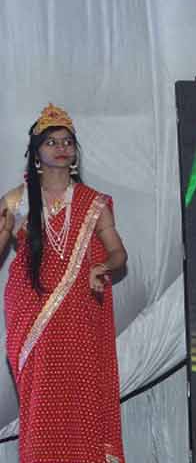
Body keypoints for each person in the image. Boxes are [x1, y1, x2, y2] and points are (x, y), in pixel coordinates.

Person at [1, 104, 128, 461]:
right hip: (32, 318)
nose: (61, 147)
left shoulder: (93, 203)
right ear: (36, 153)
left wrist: (103, 266)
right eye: (52, 141)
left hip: (78, 319)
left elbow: (119, 253)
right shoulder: (16, 201)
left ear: (75, 152)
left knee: (81, 397)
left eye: (67, 142)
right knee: (41, 399)